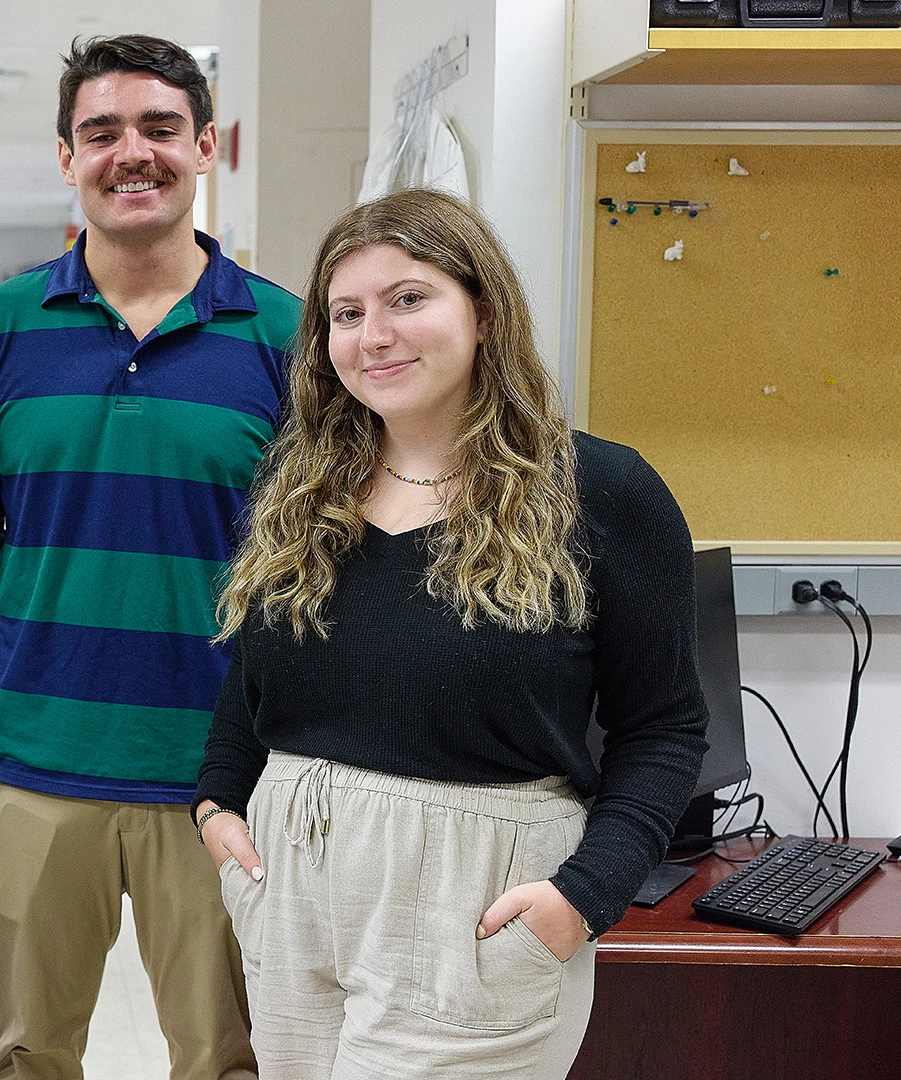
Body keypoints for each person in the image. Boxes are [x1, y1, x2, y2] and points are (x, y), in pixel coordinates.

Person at [195, 188, 710, 1080]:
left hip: (471, 913)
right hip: (289, 896)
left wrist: (584, 898)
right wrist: (215, 805)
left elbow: (664, 727)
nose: (374, 335)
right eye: (346, 314)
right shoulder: (302, 484)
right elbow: (255, 677)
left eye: (408, 299)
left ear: (482, 309)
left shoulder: (600, 493)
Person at [0, 34, 302, 1080]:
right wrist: (46, 636)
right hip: (31, 769)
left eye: (158, 128)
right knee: (29, 1057)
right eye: (101, 132)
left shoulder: (289, 337)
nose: (130, 153)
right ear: (66, 157)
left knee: (226, 1060)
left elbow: (318, 559)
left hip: (226, 778)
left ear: (207, 146)